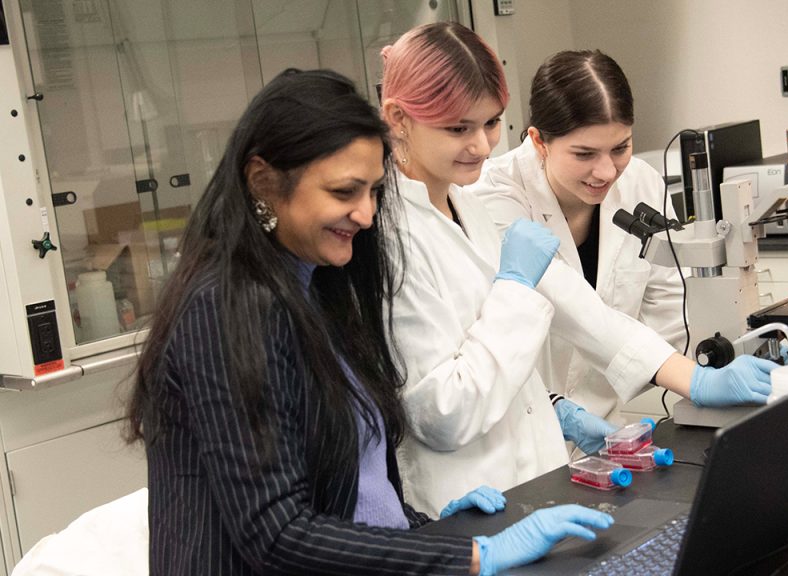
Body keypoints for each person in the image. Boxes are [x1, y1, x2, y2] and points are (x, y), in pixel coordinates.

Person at [125, 68, 612, 576]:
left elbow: (352, 481)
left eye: (375, 191)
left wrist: (422, 528)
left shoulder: (319, 287)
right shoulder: (224, 308)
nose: (365, 213)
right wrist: (468, 555)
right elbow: (276, 533)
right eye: (344, 192)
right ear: (263, 182)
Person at [379, 23, 774, 517]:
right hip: (465, 493)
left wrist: (554, 406)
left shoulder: (463, 206)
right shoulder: (404, 230)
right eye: (459, 129)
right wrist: (686, 379)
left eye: (490, 123)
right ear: (398, 119)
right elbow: (446, 406)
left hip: (543, 468)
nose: (481, 146)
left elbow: (630, 311)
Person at [468, 50, 775, 421]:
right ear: (539, 141)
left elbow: (670, 312)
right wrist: (693, 380)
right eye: (584, 154)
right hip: (525, 424)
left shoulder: (640, 181)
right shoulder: (494, 194)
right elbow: (572, 307)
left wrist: (728, 359)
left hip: (605, 423)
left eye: (620, 148)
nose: (606, 171)